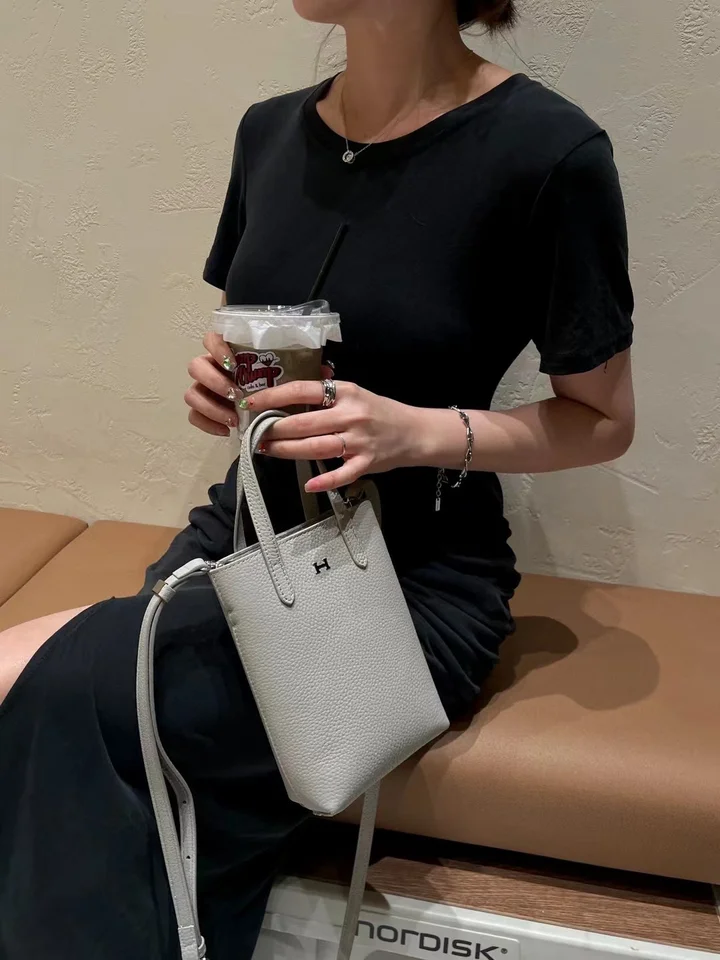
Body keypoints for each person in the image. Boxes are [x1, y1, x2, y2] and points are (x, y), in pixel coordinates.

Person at [0, 1, 636, 958]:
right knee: (67, 722)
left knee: (64, 701)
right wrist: (219, 379)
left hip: (405, 581)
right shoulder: (269, 134)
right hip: (244, 542)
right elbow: (254, 332)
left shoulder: (548, 151)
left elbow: (605, 420)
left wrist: (417, 431)